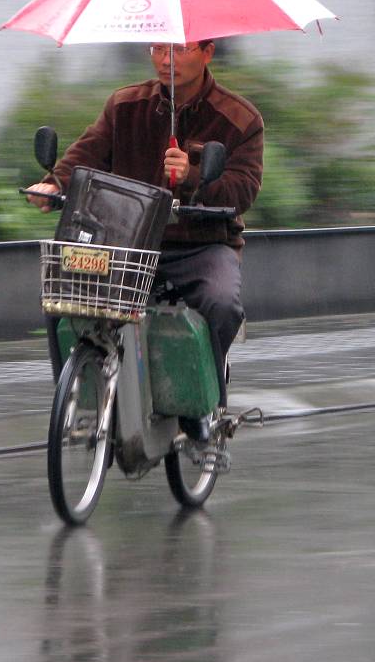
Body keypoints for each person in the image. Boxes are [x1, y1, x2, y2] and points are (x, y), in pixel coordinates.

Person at [27, 40, 264, 440]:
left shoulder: (240, 118)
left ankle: (205, 407)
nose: (166, 58)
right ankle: (76, 398)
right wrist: (53, 184)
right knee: (61, 295)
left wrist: (191, 176)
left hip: (200, 246)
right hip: (129, 244)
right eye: (158, 47)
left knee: (221, 303)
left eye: (180, 49)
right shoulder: (124, 105)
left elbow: (243, 190)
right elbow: (87, 153)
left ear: (207, 52)